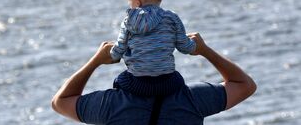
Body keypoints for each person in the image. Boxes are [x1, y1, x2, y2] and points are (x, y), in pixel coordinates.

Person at [51, 34, 256, 124]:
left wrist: (95, 61)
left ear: (128, 60)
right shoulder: (192, 99)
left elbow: (60, 102)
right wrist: (204, 50)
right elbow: (244, 85)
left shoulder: (112, 105)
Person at [110, 0, 195, 97]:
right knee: (179, 79)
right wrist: (194, 44)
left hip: (138, 84)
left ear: (136, 1)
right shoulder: (172, 18)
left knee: (119, 81)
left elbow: (119, 49)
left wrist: (112, 54)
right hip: (167, 83)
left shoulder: (128, 21)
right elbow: (185, 47)